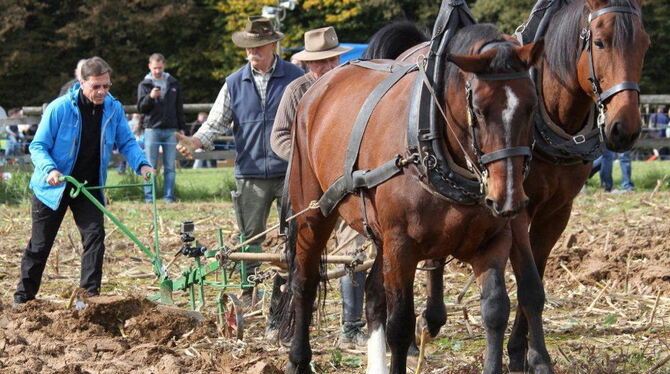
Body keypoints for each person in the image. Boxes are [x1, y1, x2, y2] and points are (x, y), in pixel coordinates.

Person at [175, 17, 304, 314]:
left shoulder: (295, 78)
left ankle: (297, 286)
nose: (252, 54)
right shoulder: (234, 82)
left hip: (291, 170)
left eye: (258, 48)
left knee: (297, 232)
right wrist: (195, 142)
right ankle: (250, 291)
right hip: (251, 172)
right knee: (250, 237)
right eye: (248, 49)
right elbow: (215, 122)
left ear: (273, 45)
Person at [13, 57, 153, 307]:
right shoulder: (59, 108)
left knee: (95, 237)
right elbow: (38, 145)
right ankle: (23, 299)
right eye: (96, 86)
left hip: (88, 186)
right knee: (41, 243)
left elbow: (127, 142)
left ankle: (87, 300)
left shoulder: (113, 108)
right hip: (54, 185)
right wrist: (50, 169)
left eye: (106, 86)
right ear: (81, 83)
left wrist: (141, 164)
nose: (102, 92)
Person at [269, 26, 368, 348]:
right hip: (308, 184)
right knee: (297, 248)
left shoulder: (354, 88)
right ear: (308, 64)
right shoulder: (296, 91)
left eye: (329, 61)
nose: (323, 68)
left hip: (349, 184)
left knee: (354, 253)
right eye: (317, 63)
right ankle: (280, 316)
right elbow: (280, 136)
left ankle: (351, 326)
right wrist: (309, 162)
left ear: (338, 59)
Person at [137, 53, 186, 203]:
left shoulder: (173, 83)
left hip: (171, 129)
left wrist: (182, 128)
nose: (157, 71)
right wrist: (150, 97)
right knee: (150, 165)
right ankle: (149, 198)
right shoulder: (144, 85)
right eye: (154, 68)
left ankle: (169, 197)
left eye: (159, 68)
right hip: (152, 129)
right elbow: (141, 108)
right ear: (149, 67)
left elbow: (179, 107)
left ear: (164, 66)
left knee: (170, 166)